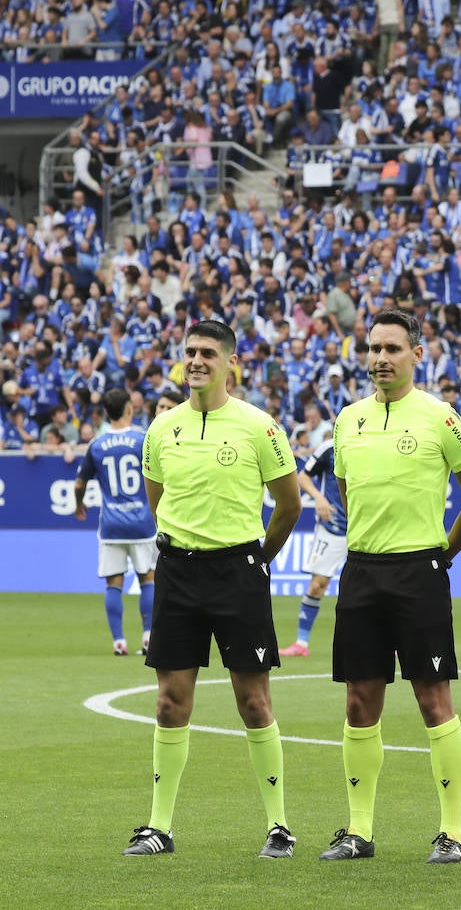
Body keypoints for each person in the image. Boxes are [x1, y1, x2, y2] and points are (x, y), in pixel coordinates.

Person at [319, 309, 461, 863]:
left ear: (417, 354)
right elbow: (347, 490)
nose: (381, 359)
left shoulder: (441, 418)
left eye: (393, 348)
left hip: (420, 571)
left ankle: (452, 833)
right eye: (374, 349)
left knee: (432, 697)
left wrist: (443, 552)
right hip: (363, 571)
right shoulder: (348, 420)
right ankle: (359, 831)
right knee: (358, 700)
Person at [125, 320, 302, 858]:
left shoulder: (259, 426)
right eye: (189, 353)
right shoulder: (162, 428)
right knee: (168, 703)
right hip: (178, 573)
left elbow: (289, 504)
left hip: (239, 571)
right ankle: (159, 828)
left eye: (206, 353)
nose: (196, 361)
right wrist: (186, 542)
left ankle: (278, 827)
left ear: (230, 362)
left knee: (253, 702)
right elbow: (158, 498)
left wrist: (257, 561)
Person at [73, 388, 158, 656]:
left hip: (111, 525)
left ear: (106, 414)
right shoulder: (143, 440)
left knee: (114, 583)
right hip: (143, 524)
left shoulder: (96, 445)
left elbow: (79, 483)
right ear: (129, 409)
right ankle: (148, 637)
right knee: (148, 578)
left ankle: (119, 642)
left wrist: (79, 503)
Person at [279, 437, 347, 657]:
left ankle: (392, 642)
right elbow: (303, 476)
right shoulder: (330, 447)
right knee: (317, 585)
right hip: (333, 526)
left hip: (368, 528)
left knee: (381, 585)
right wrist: (319, 498)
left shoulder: (374, 442)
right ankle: (301, 643)